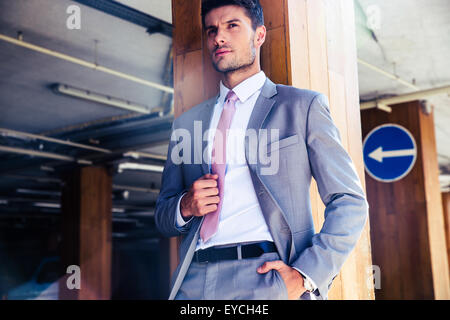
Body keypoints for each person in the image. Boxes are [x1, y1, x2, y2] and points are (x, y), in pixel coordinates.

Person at [155, 0, 368, 300]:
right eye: (212, 30)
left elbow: (349, 201)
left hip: (267, 277)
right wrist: (185, 206)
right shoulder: (186, 123)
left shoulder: (302, 107)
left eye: (232, 26)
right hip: (195, 281)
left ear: (259, 35)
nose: (219, 37)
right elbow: (163, 215)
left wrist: (306, 275)